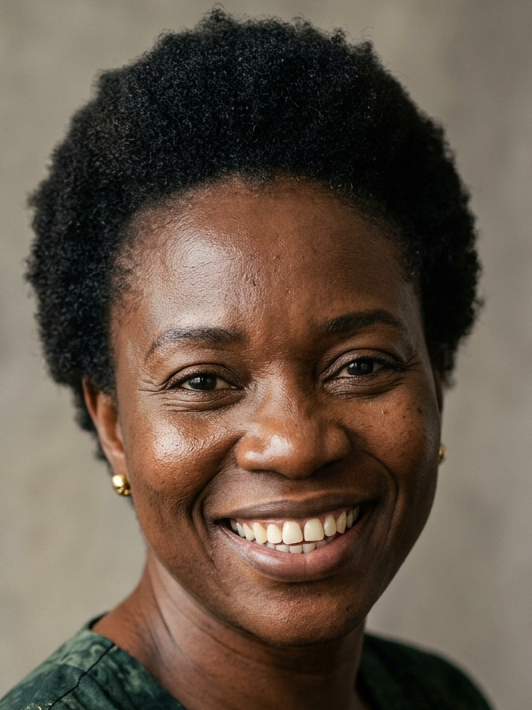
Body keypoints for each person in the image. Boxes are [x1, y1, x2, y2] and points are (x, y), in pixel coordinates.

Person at [0, 9, 492, 710]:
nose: (295, 445)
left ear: (436, 379)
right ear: (113, 427)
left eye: (360, 366)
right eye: (202, 379)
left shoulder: (438, 696)